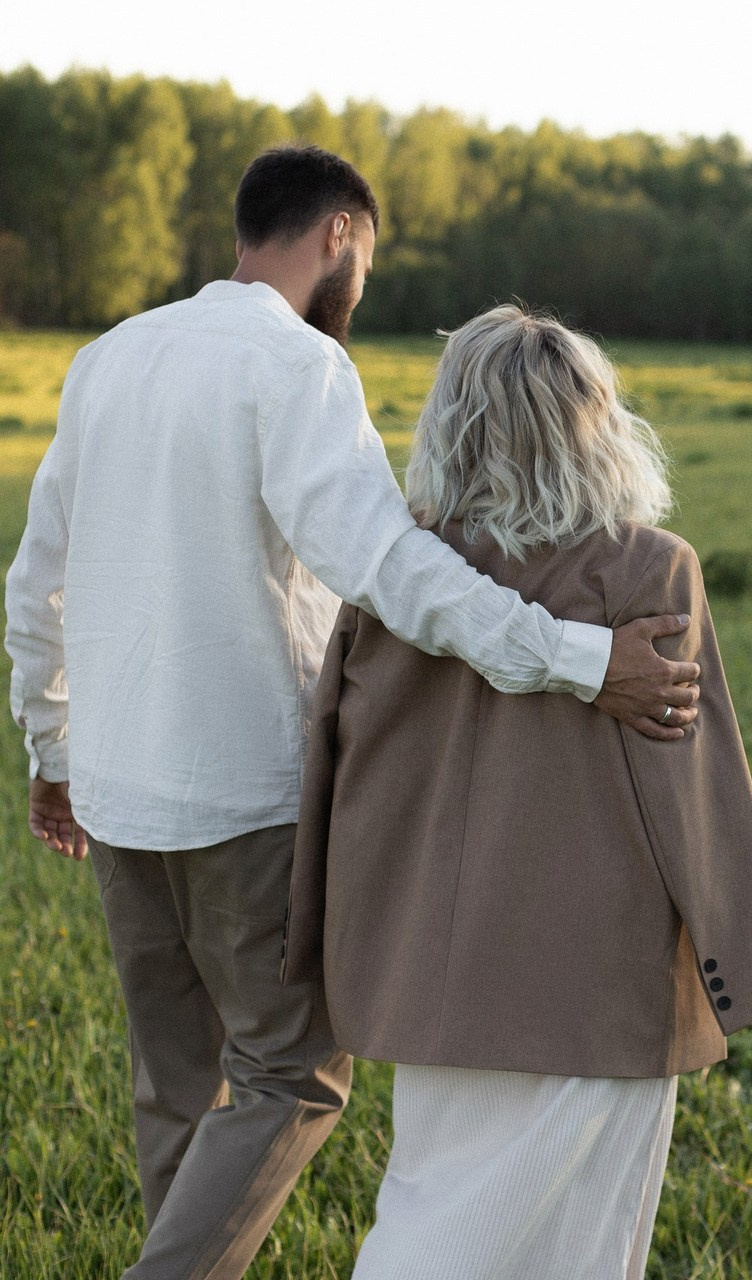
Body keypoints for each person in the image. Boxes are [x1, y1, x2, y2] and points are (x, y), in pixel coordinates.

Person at [3, 147, 700, 1280]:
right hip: (242, 796)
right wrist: (583, 657)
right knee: (292, 1078)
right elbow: (390, 568)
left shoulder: (106, 359)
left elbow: (37, 578)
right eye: (365, 259)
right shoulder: (296, 368)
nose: (361, 286)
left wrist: (52, 742)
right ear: (337, 234)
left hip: (119, 787)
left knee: (178, 1079)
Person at [283, 304, 752, 1279]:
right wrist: (744, 969)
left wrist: (323, 937)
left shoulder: (401, 577)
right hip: (595, 982)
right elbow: (695, 787)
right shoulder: (648, 569)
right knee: (564, 1249)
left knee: (432, 1198)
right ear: (596, 425)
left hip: (424, 961)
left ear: (451, 426)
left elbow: (332, 760)